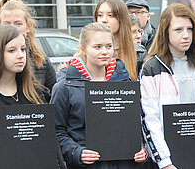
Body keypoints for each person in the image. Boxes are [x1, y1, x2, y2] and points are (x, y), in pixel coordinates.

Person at [140, 3, 195, 169]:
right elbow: (150, 120)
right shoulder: (151, 68)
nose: (186, 35)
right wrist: (165, 163)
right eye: (178, 30)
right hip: (167, 162)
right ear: (165, 32)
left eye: (190, 29)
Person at [52, 23, 148, 169]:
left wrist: (141, 148)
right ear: (83, 49)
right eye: (97, 47)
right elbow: (57, 131)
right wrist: (77, 153)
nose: (105, 51)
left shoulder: (126, 83)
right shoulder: (65, 87)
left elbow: (137, 123)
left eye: (109, 46)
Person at [0, 25, 52, 169]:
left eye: (23, 49)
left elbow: (49, 143)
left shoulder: (36, 94)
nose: (20, 55)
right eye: (12, 50)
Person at [0, 0, 56, 93]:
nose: (12, 29)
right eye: (7, 24)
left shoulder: (41, 61)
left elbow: (53, 98)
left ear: (28, 27)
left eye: (18, 24)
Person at [94, 0, 138, 80]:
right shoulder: (88, 51)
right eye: (100, 15)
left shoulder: (138, 52)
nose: (104, 20)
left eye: (110, 15)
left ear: (121, 19)